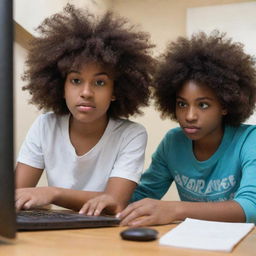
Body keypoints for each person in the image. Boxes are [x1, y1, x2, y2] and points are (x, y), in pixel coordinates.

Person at [15, 4, 155, 216]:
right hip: (53, 234)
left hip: (104, 237)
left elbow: (114, 203)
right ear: (61, 88)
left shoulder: (131, 134)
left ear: (115, 91)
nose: (86, 92)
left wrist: (52, 193)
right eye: (76, 80)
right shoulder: (46, 125)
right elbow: (16, 194)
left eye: (99, 83)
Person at [118, 31, 256, 226]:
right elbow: (141, 196)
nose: (189, 116)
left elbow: (250, 207)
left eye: (203, 105)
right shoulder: (173, 142)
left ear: (225, 106)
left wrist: (174, 210)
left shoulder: (250, 140)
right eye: (182, 104)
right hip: (192, 242)